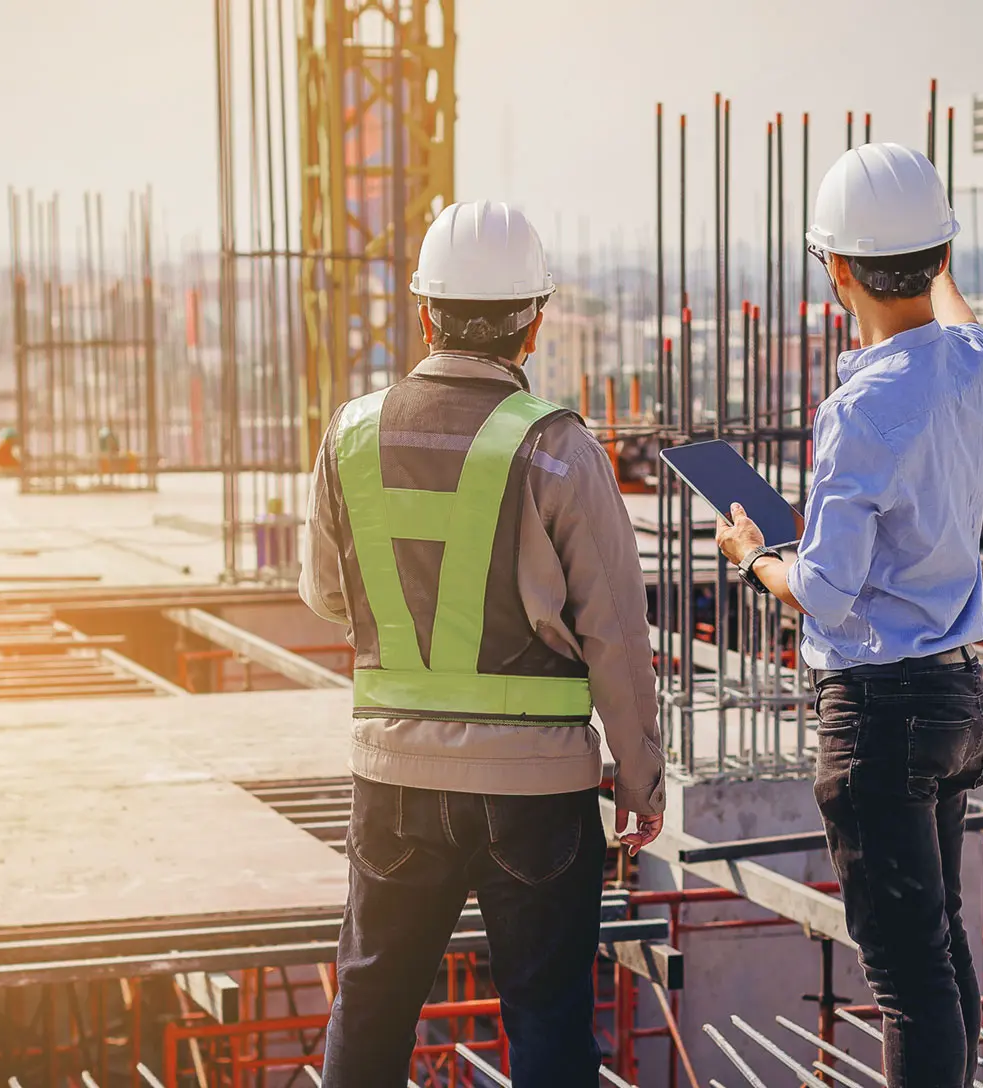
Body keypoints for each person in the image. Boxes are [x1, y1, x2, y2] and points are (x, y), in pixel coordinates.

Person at [300, 200, 666, 1087]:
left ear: (426, 313)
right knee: (546, 1025)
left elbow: (323, 596)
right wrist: (641, 773)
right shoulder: (559, 450)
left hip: (393, 782)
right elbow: (616, 634)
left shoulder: (349, 433)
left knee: (372, 1007)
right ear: (532, 326)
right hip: (537, 795)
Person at [715, 143, 983, 1088]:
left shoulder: (862, 407)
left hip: (881, 713)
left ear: (835, 269)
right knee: (941, 947)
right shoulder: (969, 366)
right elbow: (955, 308)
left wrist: (753, 555)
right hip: (959, 700)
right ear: (937, 253)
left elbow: (827, 591)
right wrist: (931, 244)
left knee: (906, 972)